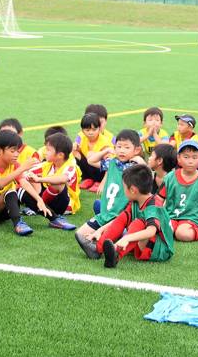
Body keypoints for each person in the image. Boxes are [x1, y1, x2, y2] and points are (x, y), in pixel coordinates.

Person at [74, 129, 145, 258]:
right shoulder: (112, 162)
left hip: (120, 217)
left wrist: (139, 158)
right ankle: (102, 244)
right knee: (79, 235)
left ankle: (113, 241)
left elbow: (146, 172)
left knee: (119, 233)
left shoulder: (134, 167)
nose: (122, 150)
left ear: (136, 150)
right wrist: (106, 151)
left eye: (127, 147)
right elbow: (91, 161)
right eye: (119, 146)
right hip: (105, 214)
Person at [90, 165, 175, 268]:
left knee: (138, 223)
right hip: (145, 242)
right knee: (124, 217)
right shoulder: (135, 200)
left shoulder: (154, 205)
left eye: (124, 187)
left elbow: (151, 231)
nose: (123, 190)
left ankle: (116, 255)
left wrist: (128, 238)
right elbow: (119, 220)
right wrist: (99, 230)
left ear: (133, 190)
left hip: (160, 249)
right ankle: (97, 248)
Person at [0, 130, 52, 236]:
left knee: (21, 190)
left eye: (18, 151)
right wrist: (22, 168)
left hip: (2, 212)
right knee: (10, 189)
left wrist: (39, 199)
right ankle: (18, 223)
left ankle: (54, 218)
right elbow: (1, 183)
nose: (16, 154)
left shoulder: (14, 165)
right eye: (13, 151)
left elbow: (24, 182)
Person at [23, 132, 81, 225]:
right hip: (51, 199)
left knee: (56, 184)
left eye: (48, 150)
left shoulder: (70, 166)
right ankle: (38, 205)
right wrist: (25, 174)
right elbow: (27, 171)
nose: (45, 152)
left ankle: (37, 207)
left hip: (66, 205)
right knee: (28, 179)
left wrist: (39, 179)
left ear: (60, 155)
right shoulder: (48, 164)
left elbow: (63, 179)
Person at [74, 112, 113, 192]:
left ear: (99, 128)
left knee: (90, 155)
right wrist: (76, 148)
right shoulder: (82, 137)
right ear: (82, 130)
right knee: (74, 152)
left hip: (102, 172)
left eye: (94, 129)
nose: (91, 132)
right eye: (87, 130)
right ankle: (88, 179)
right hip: (90, 168)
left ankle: (98, 181)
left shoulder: (105, 142)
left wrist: (103, 184)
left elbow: (110, 165)